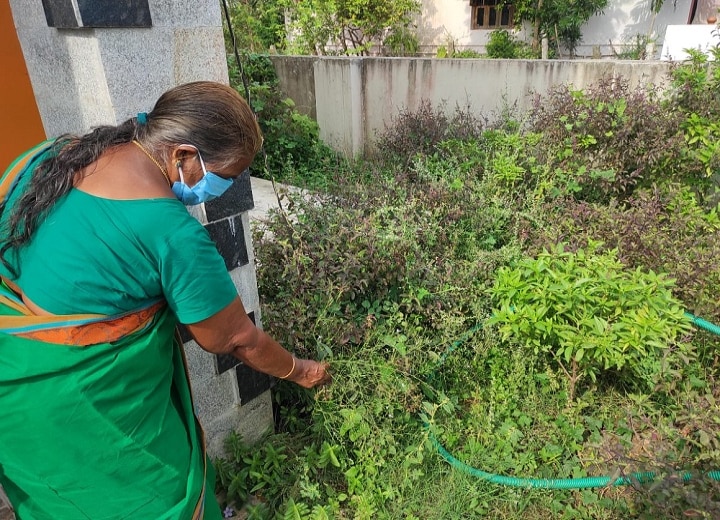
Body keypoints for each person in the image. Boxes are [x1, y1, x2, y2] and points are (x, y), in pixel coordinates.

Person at [0, 81, 330, 519]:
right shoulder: (170, 232)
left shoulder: (58, 155)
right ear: (183, 155)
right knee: (157, 500)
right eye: (225, 177)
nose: (223, 189)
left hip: (15, 394)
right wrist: (301, 370)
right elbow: (233, 338)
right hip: (82, 415)